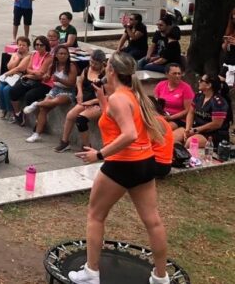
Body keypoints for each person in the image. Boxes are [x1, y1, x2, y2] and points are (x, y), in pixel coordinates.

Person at [70, 52, 169, 284]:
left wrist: (99, 154)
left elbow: (129, 134)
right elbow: (115, 120)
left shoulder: (119, 98)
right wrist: (103, 99)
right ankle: (160, 277)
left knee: (95, 216)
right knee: (153, 221)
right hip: (145, 163)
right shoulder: (130, 95)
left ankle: (91, 273)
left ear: (111, 70)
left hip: (123, 164)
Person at [23, 46, 78, 142]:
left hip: (67, 91)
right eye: (60, 54)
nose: (63, 56)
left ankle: (35, 104)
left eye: (65, 54)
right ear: (56, 55)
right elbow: (46, 79)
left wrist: (59, 79)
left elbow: (72, 83)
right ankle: (36, 134)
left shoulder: (72, 67)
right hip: (55, 89)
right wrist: (46, 77)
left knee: (55, 101)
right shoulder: (53, 65)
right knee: (44, 109)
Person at [55, 50, 106, 152]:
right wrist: (80, 92)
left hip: (98, 102)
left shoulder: (105, 75)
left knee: (80, 119)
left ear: (102, 63)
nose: (92, 65)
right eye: (91, 62)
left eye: (96, 64)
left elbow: (108, 95)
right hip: (85, 100)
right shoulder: (87, 69)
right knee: (70, 115)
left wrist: (91, 102)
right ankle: (64, 142)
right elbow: (79, 80)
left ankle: (87, 146)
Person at [173, 74, 231, 149]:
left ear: (209, 85)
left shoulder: (218, 102)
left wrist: (196, 130)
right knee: (172, 137)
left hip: (215, 133)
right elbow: (191, 113)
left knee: (191, 142)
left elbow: (216, 124)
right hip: (196, 128)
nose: (198, 81)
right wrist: (187, 129)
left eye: (201, 80)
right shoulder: (198, 96)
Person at [9, 36, 54, 125]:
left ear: (46, 46)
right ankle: (18, 113)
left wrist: (32, 74)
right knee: (13, 91)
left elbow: (41, 74)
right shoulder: (33, 54)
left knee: (30, 96)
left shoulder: (49, 57)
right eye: (37, 44)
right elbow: (28, 69)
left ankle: (39, 121)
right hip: (32, 79)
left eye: (41, 45)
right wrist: (34, 73)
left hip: (43, 82)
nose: (39, 47)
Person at [0, 36, 30, 120]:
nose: (21, 47)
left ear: (28, 46)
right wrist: (18, 58)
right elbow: (9, 66)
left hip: (21, 77)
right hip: (11, 76)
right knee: (0, 87)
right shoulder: (15, 54)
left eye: (24, 45)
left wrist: (7, 73)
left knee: (7, 89)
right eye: (20, 45)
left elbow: (21, 68)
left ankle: (11, 111)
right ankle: (4, 109)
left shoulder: (29, 56)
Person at [153, 63, 194, 129]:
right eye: (174, 73)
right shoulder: (160, 85)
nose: (177, 76)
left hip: (178, 119)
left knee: (162, 128)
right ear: (167, 74)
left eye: (179, 73)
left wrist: (170, 118)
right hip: (163, 115)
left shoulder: (186, 88)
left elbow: (187, 110)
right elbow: (156, 104)